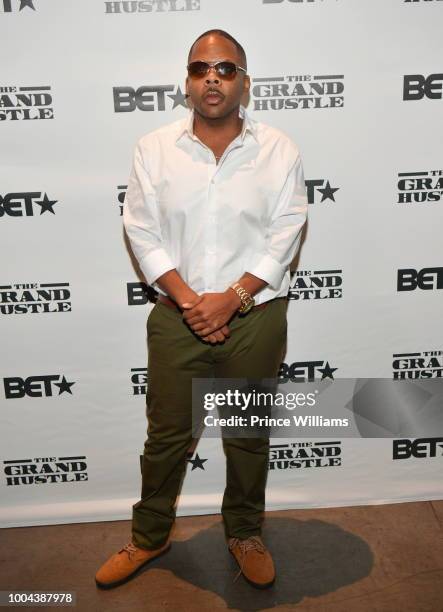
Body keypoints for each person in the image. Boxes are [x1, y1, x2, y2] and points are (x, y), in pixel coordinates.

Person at [95, 28, 308, 590]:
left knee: (246, 432)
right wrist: (194, 303)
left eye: (226, 68)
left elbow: (286, 231)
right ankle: (149, 535)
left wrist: (233, 298)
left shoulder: (279, 149)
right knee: (166, 436)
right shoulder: (153, 148)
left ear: (244, 81)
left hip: (255, 316)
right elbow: (140, 230)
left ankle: (244, 531)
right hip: (177, 316)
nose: (212, 77)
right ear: (187, 82)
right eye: (200, 68)